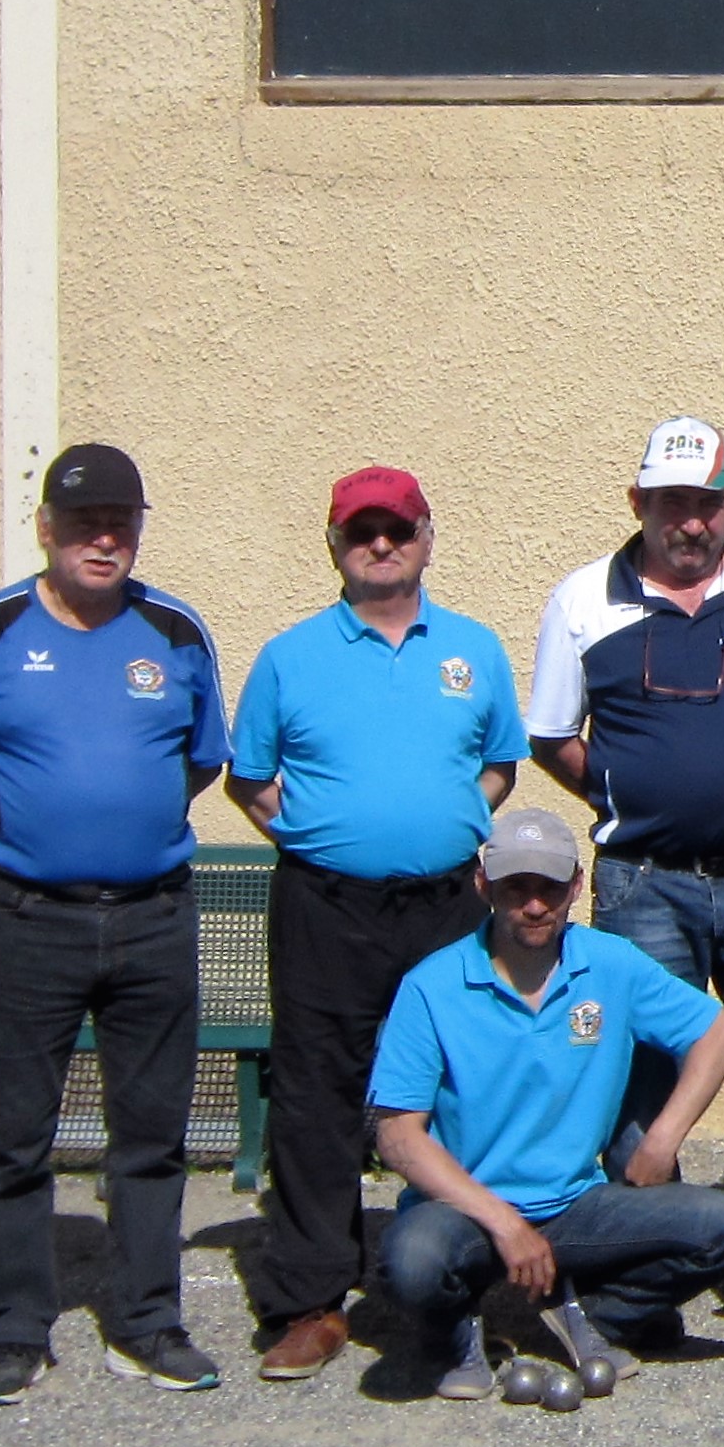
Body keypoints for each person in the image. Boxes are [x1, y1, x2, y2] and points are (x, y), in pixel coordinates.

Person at [0, 441, 230, 1407]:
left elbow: (202, 759)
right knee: (16, 1137)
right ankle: (10, 1332)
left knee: (152, 1134)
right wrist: (16, 827)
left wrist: (115, 825)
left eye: (120, 521)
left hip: (152, 920)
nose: (103, 537)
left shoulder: (174, 632)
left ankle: (146, 1322)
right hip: (26, 922)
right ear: (44, 527)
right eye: (83, 521)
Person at [523, 416, 724, 1345]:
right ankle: (654, 1257)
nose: (689, 524)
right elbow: (551, 736)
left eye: (706, 504)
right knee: (644, 1086)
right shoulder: (582, 599)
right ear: (637, 504)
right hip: (642, 884)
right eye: (670, 505)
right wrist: (634, 790)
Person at [221, 462, 522, 1385]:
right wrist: (325, 838)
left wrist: (443, 825)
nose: (381, 545)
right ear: (335, 547)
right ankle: (311, 1300)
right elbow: (250, 777)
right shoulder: (291, 655)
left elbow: (501, 762)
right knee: (316, 1096)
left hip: (445, 903)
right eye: (362, 533)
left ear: (428, 537)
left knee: (464, 1087)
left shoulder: (472, 648)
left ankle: (459, 1284)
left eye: (398, 529)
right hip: (326, 906)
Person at [369, 808, 724, 1405]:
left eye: (550, 888)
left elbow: (718, 1033)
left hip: (576, 1203)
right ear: (484, 886)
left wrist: (663, 1138)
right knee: (414, 1264)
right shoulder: (432, 985)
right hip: (466, 1210)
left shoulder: (610, 963)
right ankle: (458, 1331)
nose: (534, 905)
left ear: (577, 885)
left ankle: (591, 1315)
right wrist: (504, 1224)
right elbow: (398, 1135)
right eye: (516, 888)